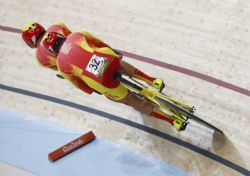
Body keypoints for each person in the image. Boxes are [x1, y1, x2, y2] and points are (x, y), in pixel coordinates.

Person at [22, 23, 186, 131]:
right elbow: (99, 43)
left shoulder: (51, 62)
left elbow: (79, 84)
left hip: (98, 79)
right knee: (117, 61)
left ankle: (172, 121)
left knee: (131, 100)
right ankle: (152, 81)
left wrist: (93, 90)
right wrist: (114, 54)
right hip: (105, 58)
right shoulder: (68, 31)